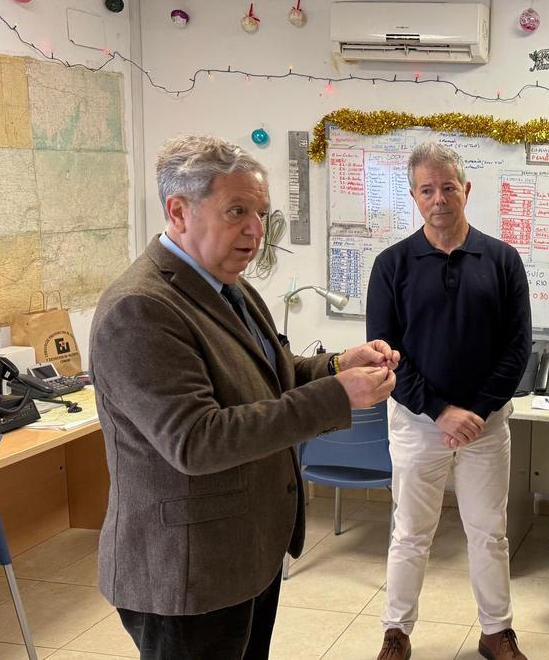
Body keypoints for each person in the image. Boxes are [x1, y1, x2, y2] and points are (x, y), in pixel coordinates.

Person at [90, 134, 399, 659]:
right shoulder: (140, 309)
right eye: (237, 211)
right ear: (178, 210)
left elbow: (266, 377)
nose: (256, 231)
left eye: (261, 213)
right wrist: (335, 397)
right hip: (188, 574)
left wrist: (336, 365)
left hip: (244, 552)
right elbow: (196, 440)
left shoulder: (229, 285)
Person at [366, 142, 531, 660]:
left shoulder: (502, 260)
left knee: (489, 533)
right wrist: (440, 410)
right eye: (426, 189)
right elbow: (384, 353)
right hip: (417, 423)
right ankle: (397, 632)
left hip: (486, 426)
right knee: (410, 532)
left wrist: (476, 411)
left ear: (466, 189)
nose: (438, 198)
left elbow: (517, 347)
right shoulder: (391, 264)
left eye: (447, 187)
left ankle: (496, 631)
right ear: (414, 197)